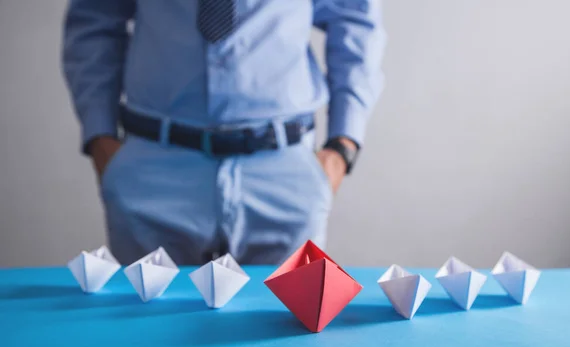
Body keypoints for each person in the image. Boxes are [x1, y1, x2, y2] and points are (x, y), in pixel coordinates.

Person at [62, 0, 385, 266]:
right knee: (147, 331)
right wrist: (100, 138)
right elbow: (94, 21)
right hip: (153, 170)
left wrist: (344, 144)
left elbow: (354, 20)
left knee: (282, 332)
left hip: (284, 172)